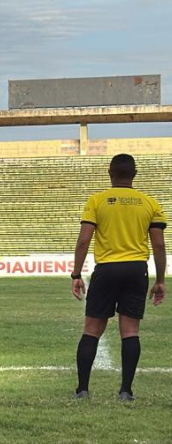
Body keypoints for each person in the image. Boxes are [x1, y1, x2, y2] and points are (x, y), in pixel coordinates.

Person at [71, 154, 166, 401]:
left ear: (109, 172)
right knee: (130, 331)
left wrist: (76, 273)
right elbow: (159, 246)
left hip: (107, 269)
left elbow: (84, 240)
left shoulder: (97, 200)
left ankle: (82, 390)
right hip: (136, 269)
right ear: (134, 174)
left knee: (92, 329)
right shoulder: (150, 203)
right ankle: (126, 391)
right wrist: (160, 281)